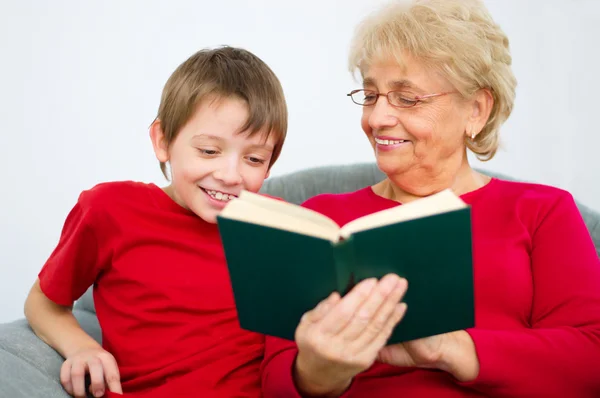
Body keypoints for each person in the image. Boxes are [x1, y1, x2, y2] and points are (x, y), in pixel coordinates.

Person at [261, 0, 600, 397]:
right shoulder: (320, 217)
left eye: (407, 98)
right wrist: (320, 371)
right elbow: (275, 380)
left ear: (476, 109)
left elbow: (590, 359)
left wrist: (450, 348)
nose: (377, 118)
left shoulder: (542, 211)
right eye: (371, 95)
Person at [24, 46, 287, 398]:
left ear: (270, 165)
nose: (230, 175)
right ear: (163, 141)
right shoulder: (111, 210)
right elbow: (42, 302)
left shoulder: (279, 224)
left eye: (253, 159)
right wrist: (82, 347)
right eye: (209, 151)